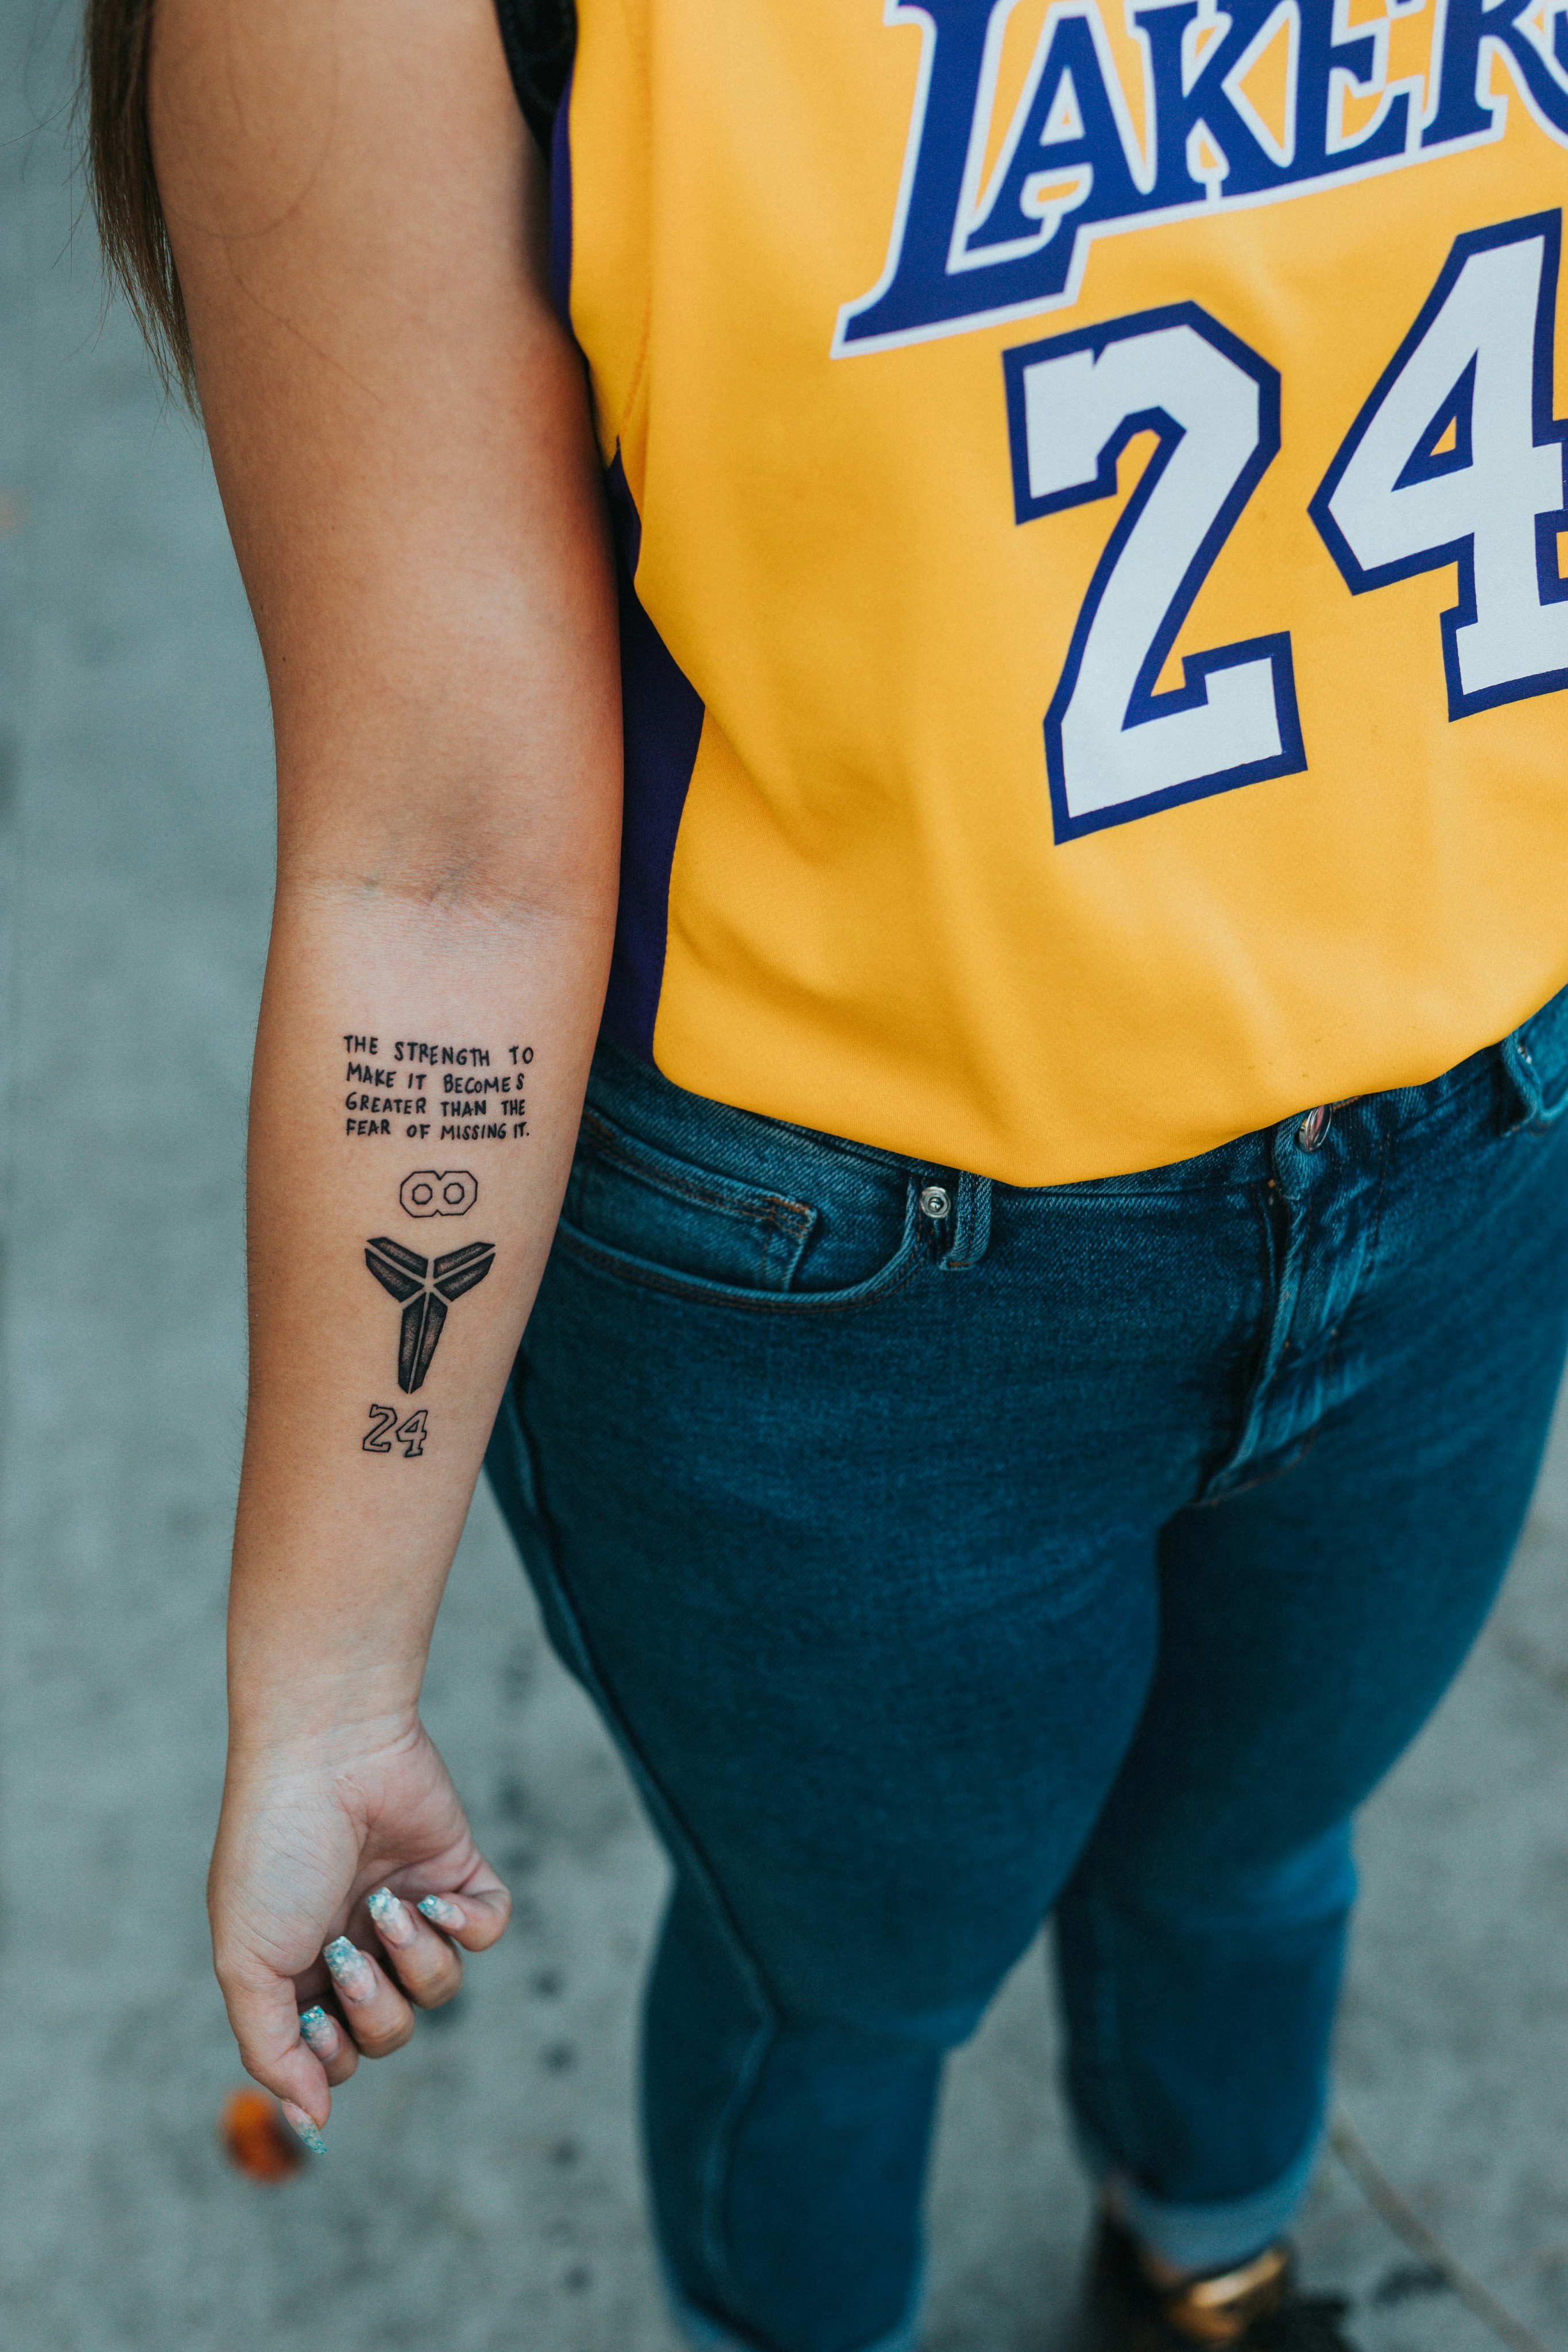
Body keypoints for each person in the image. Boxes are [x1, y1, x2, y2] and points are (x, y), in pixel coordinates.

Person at [86, 1, 1568, 2345]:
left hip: (1472, 1145)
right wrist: (331, 1670)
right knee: (851, 1990)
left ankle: (1213, 2255)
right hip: (846, 1303)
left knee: (1255, 1850)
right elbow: (440, 854)